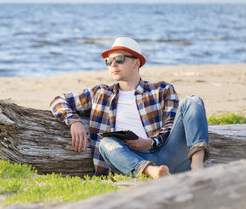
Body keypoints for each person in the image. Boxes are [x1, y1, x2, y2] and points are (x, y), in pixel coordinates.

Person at [50, 37, 210, 179]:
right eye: (108, 61)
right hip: (130, 160)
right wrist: (74, 121)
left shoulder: (162, 90)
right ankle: (151, 172)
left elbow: (170, 125)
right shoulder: (99, 93)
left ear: (136, 62)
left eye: (119, 59)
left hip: (167, 152)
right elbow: (58, 101)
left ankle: (196, 166)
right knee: (106, 143)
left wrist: (149, 143)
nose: (113, 64)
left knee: (193, 101)